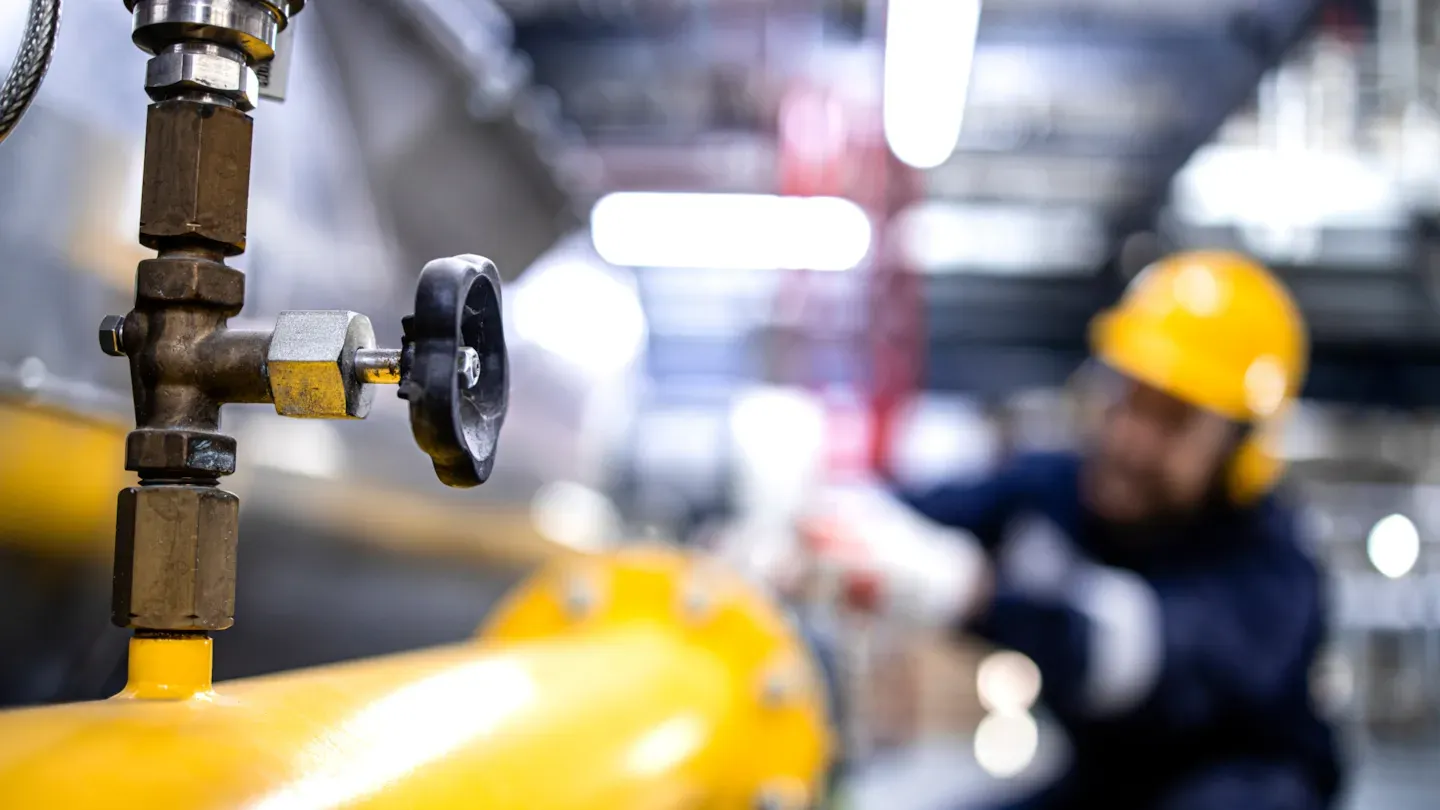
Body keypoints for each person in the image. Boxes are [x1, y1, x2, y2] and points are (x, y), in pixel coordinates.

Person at [799, 251, 1342, 810]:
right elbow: (903, 511)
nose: (1132, 440)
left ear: (1240, 449)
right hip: (1108, 783)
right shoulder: (1058, 489)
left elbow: (1123, 652)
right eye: (1129, 399)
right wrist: (812, 526)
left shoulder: (1270, 575)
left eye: (1173, 421)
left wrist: (962, 588)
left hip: (1241, 790)